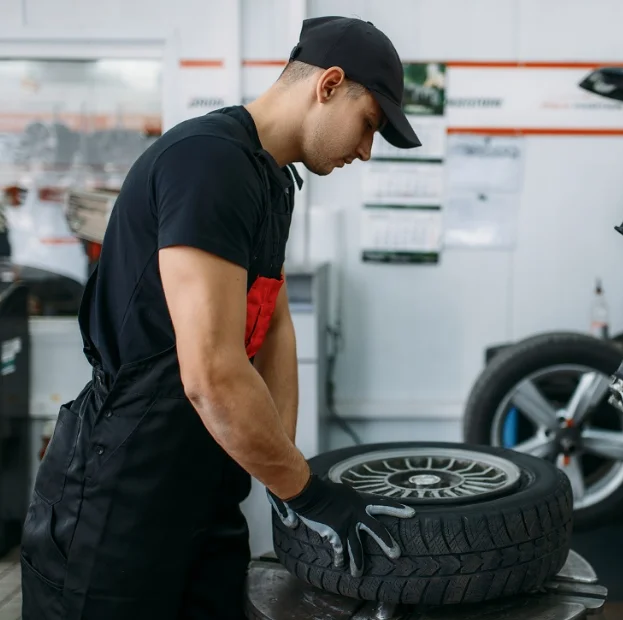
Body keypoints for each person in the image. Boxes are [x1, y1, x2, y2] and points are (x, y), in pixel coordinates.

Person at [20, 16, 421, 620]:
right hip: (118, 494)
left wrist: (284, 473)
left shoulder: (271, 179)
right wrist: (308, 494)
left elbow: (273, 324)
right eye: (369, 126)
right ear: (330, 84)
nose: (365, 151)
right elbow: (209, 373)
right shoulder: (208, 164)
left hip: (204, 489)